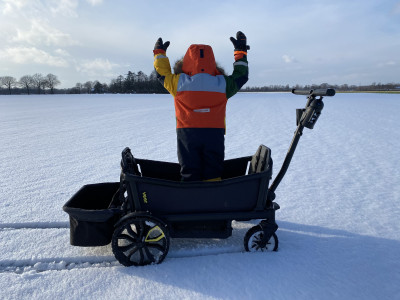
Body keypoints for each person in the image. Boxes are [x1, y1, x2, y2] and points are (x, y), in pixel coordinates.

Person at [153, 31, 249, 181]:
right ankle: (213, 199)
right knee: (213, 171)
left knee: (190, 171)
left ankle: (191, 199)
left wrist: (159, 54)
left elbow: (161, 73)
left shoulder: (179, 82)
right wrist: (240, 51)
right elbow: (241, 76)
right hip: (214, 133)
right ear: (212, 62)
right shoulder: (222, 83)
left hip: (187, 133)